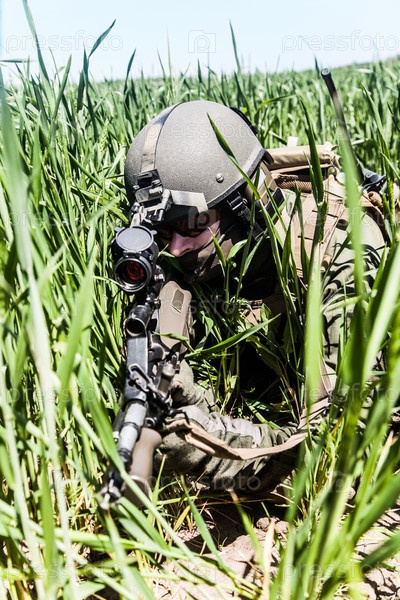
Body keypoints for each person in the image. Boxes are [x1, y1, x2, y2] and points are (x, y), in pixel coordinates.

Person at [123, 100, 386, 497]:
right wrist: (176, 392)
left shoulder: (341, 251)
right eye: (161, 232)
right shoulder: (189, 252)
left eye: (190, 227)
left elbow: (340, 455)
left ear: (244, 204)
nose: (174, 249)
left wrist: (200, 444)